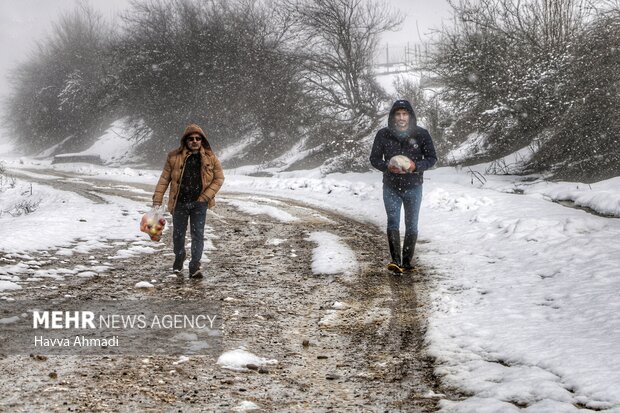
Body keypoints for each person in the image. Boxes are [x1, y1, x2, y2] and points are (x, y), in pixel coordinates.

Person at [370, 100, 437, 273]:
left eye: (404, 114)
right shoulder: (383, 134)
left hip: (414, 186)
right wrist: (387, 167)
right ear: (393, 116)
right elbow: (374, 158)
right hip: (391, 186)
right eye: (398, 114)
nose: (401, 117)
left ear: (410, 116)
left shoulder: (421, 134)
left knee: (412, 224)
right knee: (393, 222)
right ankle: (395, 261)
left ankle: (406, 263)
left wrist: (416, 166)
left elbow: (432, 158)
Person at [152, 124, 224, 278]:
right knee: (178, 236)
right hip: (180, 203)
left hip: (200, 204)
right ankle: (179, 257)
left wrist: (205, 197)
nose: (194, 141)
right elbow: (164, 180)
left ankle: (195, 266)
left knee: (198, 234)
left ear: (202, 140)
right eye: (191, 138)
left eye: (198, 138)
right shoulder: (173, 157)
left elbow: (219, 179)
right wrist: (157, 200)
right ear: (185, 141)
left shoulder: (211, 158)